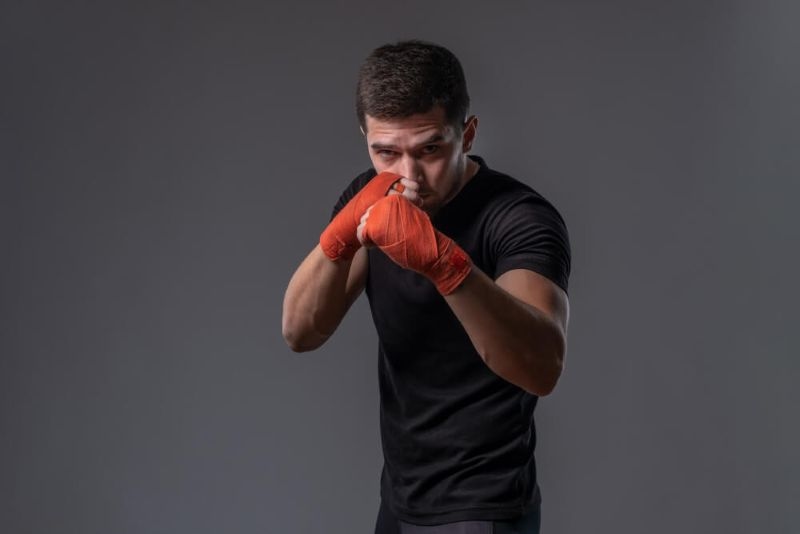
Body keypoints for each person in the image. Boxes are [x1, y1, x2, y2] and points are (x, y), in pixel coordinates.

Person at [282, 40, 571, 534]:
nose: (409, 176)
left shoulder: (519, 218)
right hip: (400, 498)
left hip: (484, 504)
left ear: (469, 134)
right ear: (366, 140)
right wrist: (336, 240)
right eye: (386, 152)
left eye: (430, 149)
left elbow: (541, 368)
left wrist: (446, 266)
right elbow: (301, 331)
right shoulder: (369, 198)